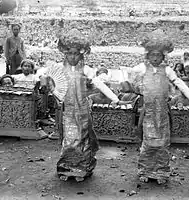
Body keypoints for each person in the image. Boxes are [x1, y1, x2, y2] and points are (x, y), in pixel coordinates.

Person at [43, 29, 130, 182]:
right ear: (64, 52)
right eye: (69, 53)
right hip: (66, 110)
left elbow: (99, 84)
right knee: (69, 139)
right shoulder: (57, 68)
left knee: (82, 138)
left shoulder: (86, 70)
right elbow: (46, 82)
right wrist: (47, 85)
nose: (73, 56)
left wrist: (115, 99)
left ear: (82, 54)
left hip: (82, 110)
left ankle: (81, 168)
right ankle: (66, 167)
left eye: (76, 53)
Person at [120, 33, 189, 184]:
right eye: (152, 55)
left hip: (163, 112)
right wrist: (129, 89)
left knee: (162, 142)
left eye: (158, 55)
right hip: (148, 111)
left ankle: (161, 172)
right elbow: (127, 81)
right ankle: (145, 170)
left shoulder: (167, 70)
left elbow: (180, 84)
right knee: (148, 142)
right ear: (147, 55)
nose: (155, 58)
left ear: (163, 56)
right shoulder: (140, 68)